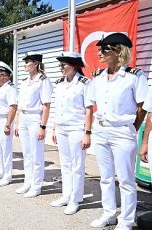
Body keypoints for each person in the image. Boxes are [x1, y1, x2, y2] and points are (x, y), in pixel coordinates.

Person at [87, 33, 148, 229]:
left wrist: (133, 128)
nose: (99, 53)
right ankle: (109, 214)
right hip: (101, 131)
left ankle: (127, 221)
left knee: (126, 180)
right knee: (105, 177)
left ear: (117, 50)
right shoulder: (98, 76)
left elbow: (143, 107)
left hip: (122, 133)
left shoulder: (134, 76)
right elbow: (92, 105)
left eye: (103, 49)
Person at [50, 52, 93, 215]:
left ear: (74, 65)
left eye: (64, 65)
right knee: (65, 164)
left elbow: (89, 110)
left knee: (77, 165)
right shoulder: (59, 84)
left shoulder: (84, 83)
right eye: (60, 65)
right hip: (61, 128)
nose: (61, 68)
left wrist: (87, 133)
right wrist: (54, 128)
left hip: (76, 129)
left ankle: (75, 199)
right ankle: (66, 195)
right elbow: (58, 108)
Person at [14, 52, 53, 198]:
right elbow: (19, 105)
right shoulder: (24, 81)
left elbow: (47, 105)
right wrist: (17, 123)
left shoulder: (43, 81)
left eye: (27, 62)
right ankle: (28, 182)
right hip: (23, 118)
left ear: (36, 64)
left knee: (36, 154)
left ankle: (36, 186)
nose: (25, 65)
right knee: (27, 153)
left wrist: (43, 126)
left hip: (35, 119)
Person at [0, 61, 18, 187]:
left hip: (3, 121)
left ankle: (7, 175)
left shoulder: (10, 88)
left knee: (6, 149)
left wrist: (8, 124)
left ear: (5, 75)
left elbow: (13, 107)